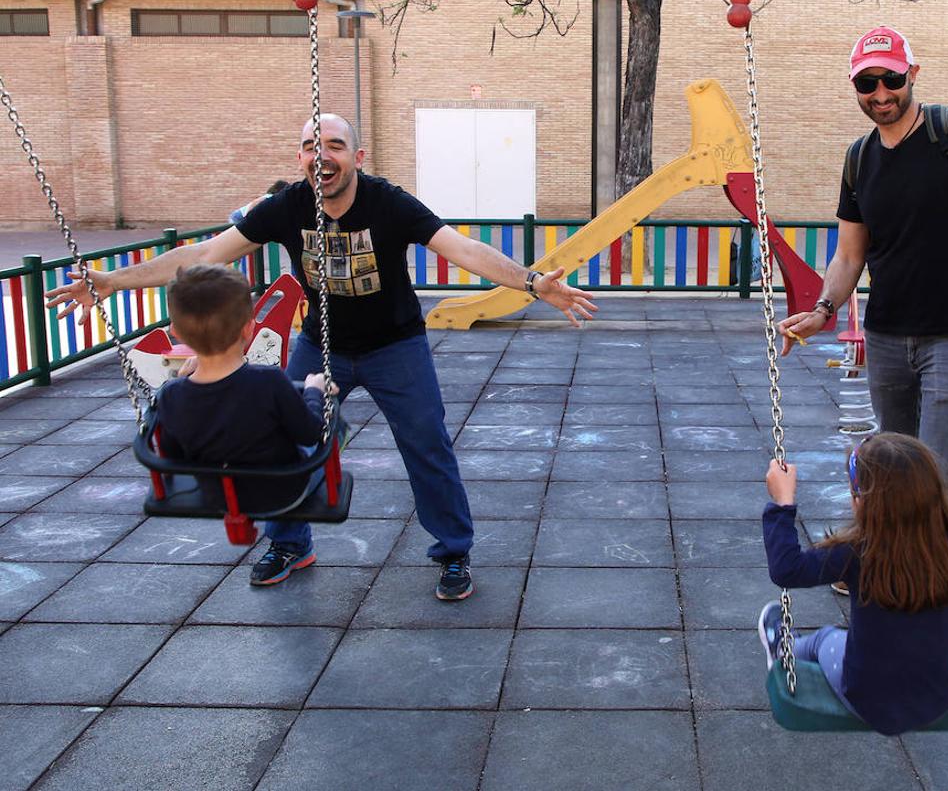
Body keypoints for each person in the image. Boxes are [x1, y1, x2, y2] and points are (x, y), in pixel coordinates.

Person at [46, 113, 599, 601]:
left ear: (356, 157)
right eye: (312, 146)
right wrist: (112, 280)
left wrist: (532, 283)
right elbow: (206, 254)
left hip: (395, 346)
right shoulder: (285, 206)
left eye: (334, 145)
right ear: (301, 158)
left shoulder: (390, 203)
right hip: (320, 344)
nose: (322, 155)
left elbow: (462, 248)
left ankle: (453, 549)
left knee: (427, 444)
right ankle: (289, 544)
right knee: (281, 444)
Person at [778, 25, 948, 492]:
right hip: (887, 336)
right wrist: (824, 308)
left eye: (891, 79)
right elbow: (848, 255)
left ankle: (945, 565)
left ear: (912, 75)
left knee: (939, 475)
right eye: (867, 83)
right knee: (893, 474)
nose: (880, 93)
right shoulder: (860, 158)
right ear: (855, 87)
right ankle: (894, 566)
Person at [756, 433, 948, 736]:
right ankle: (792, 646)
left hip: (866, 699)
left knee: (827, 639)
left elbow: (787, 569)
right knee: (854, 643)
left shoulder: (856, 552)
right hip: (938, 697)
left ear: (862, 501)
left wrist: (783, 502)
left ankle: (786, 648)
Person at [155, 264, 337, 583]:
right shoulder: (270, 382)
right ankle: (292, 543)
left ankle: (293, 547)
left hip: (216, 495)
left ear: (177, 333)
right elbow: (311, 432)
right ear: (249, 329)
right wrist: (314, 391)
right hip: (283, 491)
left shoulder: (171, 395)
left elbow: (170, 455)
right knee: (327, 430)